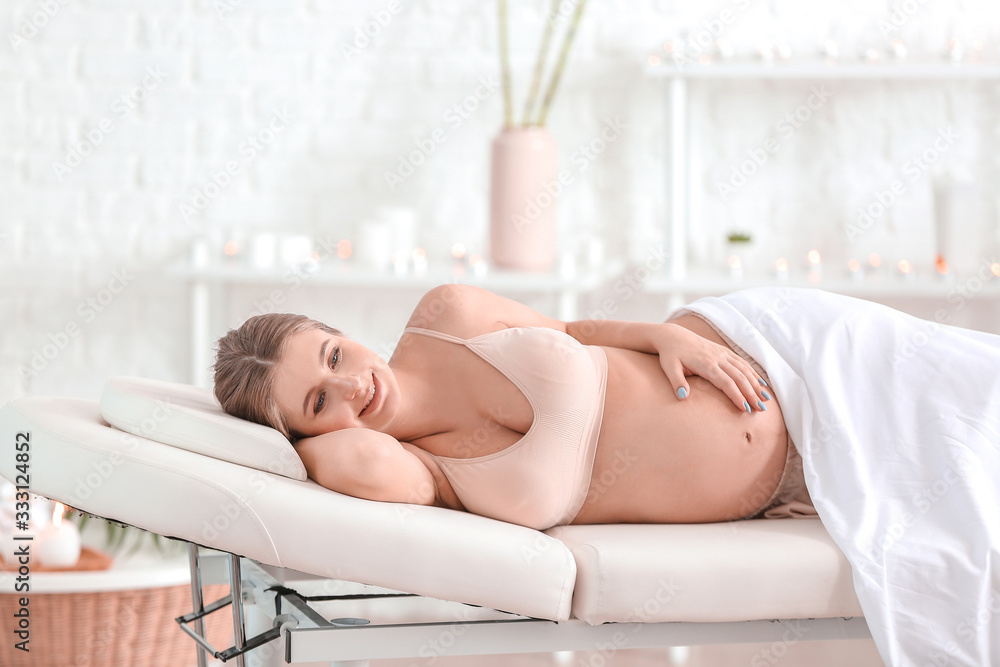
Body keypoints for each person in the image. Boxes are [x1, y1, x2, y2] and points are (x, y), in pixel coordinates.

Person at [212, 284, 815, 530]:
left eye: (335, 355)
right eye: (320, 401)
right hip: (792, 491)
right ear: (303, 438)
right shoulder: (422, 471)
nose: (354, 388)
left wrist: (665, 336)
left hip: (772, 355)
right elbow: (357, 465)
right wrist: (293, 439)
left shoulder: (446, 316)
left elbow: (572, 327)